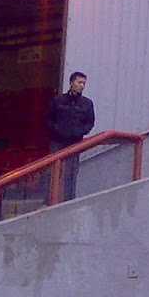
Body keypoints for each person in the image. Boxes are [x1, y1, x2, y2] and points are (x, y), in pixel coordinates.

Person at [46, 71, 96, 201]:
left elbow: (90, 123)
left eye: (84, 83)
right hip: (57, 141)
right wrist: (58, 130)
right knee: (52, 172)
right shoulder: (58, 100)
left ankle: (68, 200)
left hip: (75, 143)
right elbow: (48, 120)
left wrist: (80, 132)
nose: (82, 86)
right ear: (71, 82)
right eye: (79, 82)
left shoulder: (87, 103)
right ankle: (49, 199)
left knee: (71, 174)